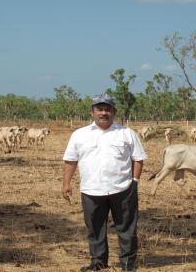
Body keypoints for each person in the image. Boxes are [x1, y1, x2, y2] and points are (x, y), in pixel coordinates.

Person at [62, 93, 146, 271]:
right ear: (92, 112)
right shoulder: (79, 135)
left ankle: (128, 264)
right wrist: (66, 184)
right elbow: (70, 160)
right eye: (99, 109)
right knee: (95, 229)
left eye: (107, 109)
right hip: (91, 190)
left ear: (113, 112)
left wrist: (135, 181)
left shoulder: (127, 133)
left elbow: (138, 159)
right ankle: (98, 262)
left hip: (123, 189)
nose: (103, 113)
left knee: (127, 229)